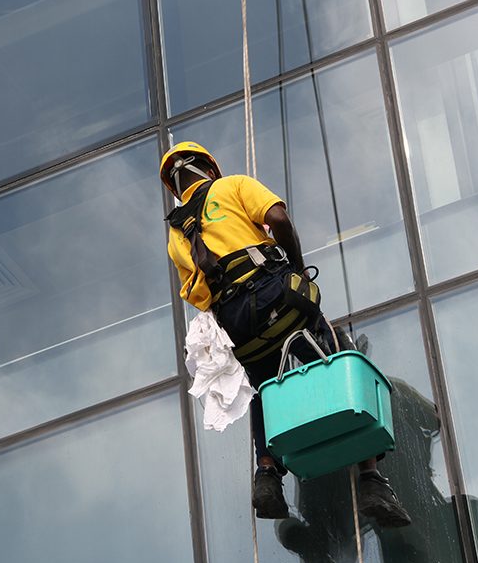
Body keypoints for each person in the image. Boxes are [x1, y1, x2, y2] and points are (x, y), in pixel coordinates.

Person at [160, 141, 411, 527]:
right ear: (211, 169)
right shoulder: (233, 186)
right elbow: (278, 219)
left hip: (237, 325)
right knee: (335, 354)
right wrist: (295, 269)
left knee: (264, 388)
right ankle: (371, 479)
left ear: (175, 190)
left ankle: (267, 475)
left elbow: (197, 294)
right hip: (276, 299)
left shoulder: (177, 236)